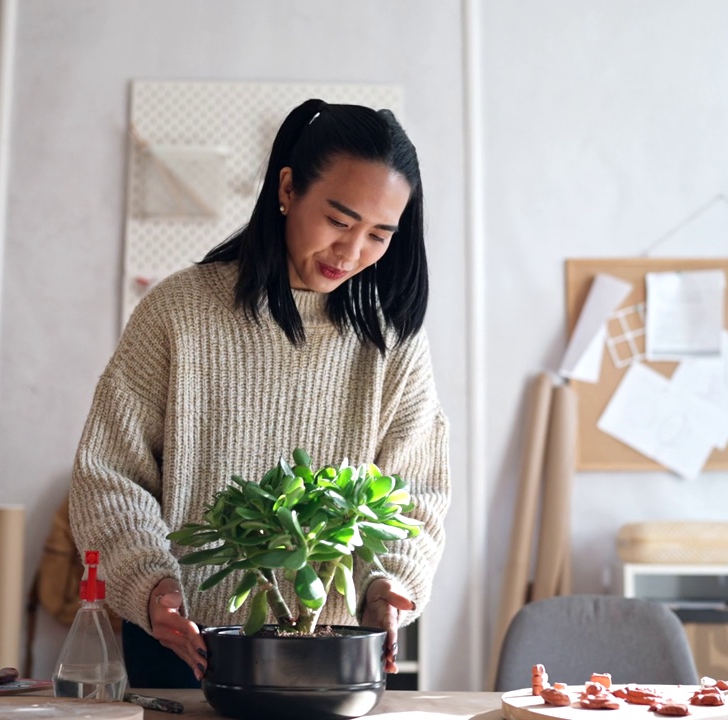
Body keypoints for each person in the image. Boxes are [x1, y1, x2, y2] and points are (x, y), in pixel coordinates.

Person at [69, 98, 451, 689]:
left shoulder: (392, 340)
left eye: (379, 235)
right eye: (340, 221)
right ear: (289, 188)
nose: (352, 253)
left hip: (329, 661)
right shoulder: (179, 312)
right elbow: (109, 474)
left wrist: (387, 584)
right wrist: (151, 586)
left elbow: (414, 494)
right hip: (181, 654)